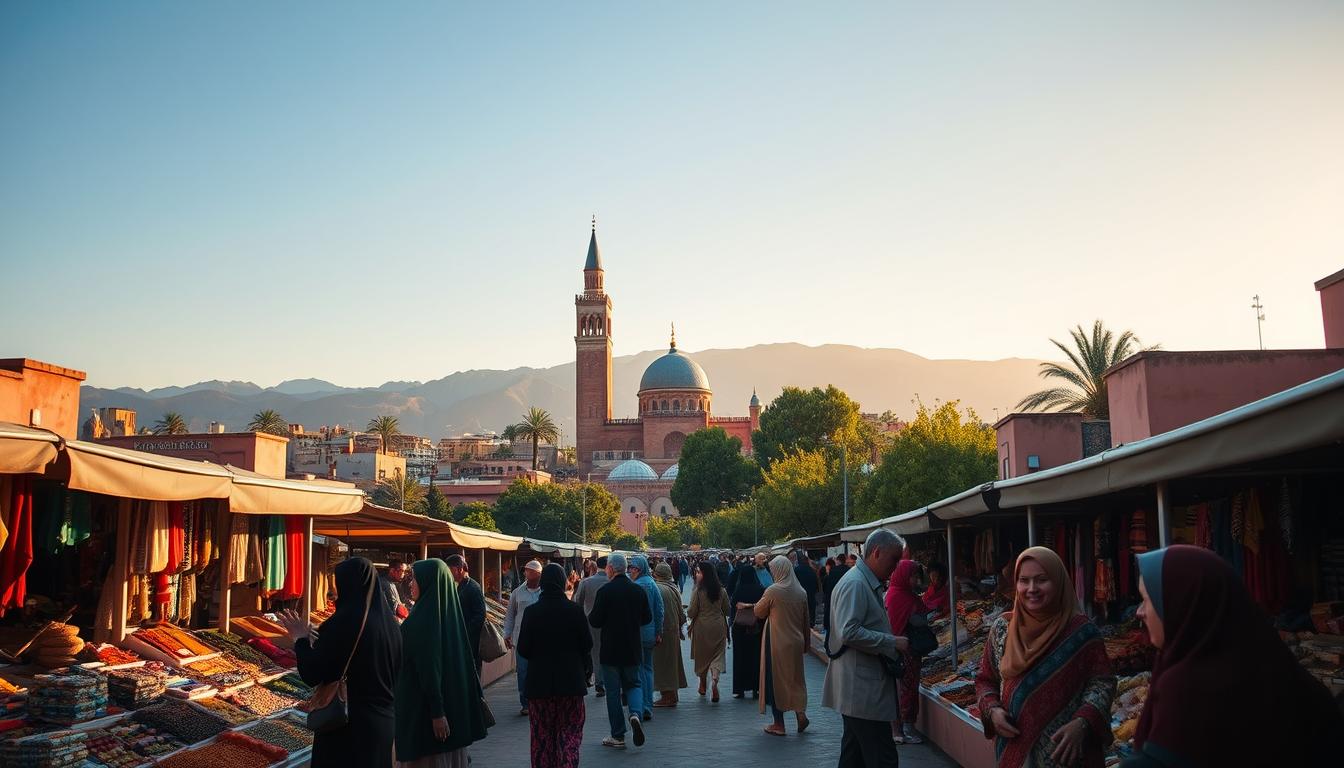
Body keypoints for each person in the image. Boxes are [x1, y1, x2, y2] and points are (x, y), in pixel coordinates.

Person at [1121, 546, 1344, 767]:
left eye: (1146, 600)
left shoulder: (1191, 687)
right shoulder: (1276, 665)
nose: (1139, 612)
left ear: (1180, 604)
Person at [974, 547, 1115, 768]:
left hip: (1067, 755)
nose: (1032, 589)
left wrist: (1083, 722)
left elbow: (1102, 682)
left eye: (1041, 580)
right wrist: (992, 711)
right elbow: (985, 679)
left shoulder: (1081, 632)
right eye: (1024, 580)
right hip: (1015, 751)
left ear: (1059, 582)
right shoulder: (1003, 628)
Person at [281, 558, 402, 768]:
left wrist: (300, 639)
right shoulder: (391, 625)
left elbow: (311, 673)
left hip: (347, 727)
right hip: (383, 723)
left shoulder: (344, 622)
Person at [823, 529, 910, 768]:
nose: (896, 566)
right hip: (862, 690)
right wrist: (892, 641)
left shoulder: (861, 581)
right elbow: (849, 632)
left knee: (854, 755)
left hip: (859, 688)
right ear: (877, 552)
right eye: (893, 559)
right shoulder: (856, 584)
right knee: (882, 757)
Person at [393, 559, 488, 768]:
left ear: (429, 582)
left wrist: (437, 713)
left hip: (425, 719)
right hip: (453, 716)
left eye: (415, 579)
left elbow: (429, 671)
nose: (411, 585)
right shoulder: (450, 620)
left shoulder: (420, 623)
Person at [518, 563, 592, 768]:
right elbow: (587, 644)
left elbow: (523, 649)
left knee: (542, 737)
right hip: (571, 684)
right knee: (568, 734)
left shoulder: (532, 613)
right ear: (562, 582)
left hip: (539, 686)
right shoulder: (575, 611)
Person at [738, 555, 810, 736]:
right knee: (795, 680)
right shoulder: (801, 592)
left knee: (775, 682)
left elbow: (759, 612)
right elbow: (806, 621)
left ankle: (779, 724)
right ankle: (800, 713)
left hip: (777, 641)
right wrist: (806, 645)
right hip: (796, 642)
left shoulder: (774, 591)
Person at [587, 552, 652, 749]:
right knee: (634, 684)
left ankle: (618, 735)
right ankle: (635, 714)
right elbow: (647, 618)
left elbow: (595, 620)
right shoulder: (637, 591)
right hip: (632, 647)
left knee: (613, 693)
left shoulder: (605, 592)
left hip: (610, 650)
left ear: (611, 569)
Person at [885, 559, 927, 745]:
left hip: (900, 648)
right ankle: (905, 727)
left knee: (900, 688)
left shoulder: (897, 593)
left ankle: (899, 729)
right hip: (904, 649)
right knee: (905, 688)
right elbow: (914, 621)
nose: (916, 581)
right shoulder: (901, 597)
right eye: (913, 576)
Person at [504, 560, 544, 716]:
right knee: (523, 672)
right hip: (521, 638)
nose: (526, 573)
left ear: (538, 574)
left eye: (530, 571)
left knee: (539, 671)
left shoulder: (545, 592)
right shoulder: (517, 593)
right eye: (526, 571)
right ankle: (525, 702)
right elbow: (510, 616)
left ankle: (539, 700)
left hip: (541, 640)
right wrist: (507, 634)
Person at [687, 560, 730, 702]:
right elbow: (727, 610)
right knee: (717, 655)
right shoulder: (722, 590)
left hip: (702, 627)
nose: (696, 574)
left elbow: (692, 612)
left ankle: (703, 684)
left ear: (704, 574)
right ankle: (715, 679)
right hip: (718, 626)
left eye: (698, 572)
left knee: (702, 657)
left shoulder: (698, 591)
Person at [628, 555, 664, 722]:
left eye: (633, 568)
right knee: (648, 669)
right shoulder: (652, 584)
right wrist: (658, 632)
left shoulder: (635, 587)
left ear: (639, 569)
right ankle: (648, 704)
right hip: (650, 634)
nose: (630, 571)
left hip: (637, 634)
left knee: (639, 670)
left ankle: (641, 705)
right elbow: (659, 610)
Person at [572, 555, 610, 696]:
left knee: (595, 653)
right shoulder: (611, 581)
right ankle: (611, 681)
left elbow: (578, 603)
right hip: (611, 622)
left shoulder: (586, 582)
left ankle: (599, 683)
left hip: (590, 622)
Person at [651, 562, 688, 707]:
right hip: (672, 630)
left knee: (663, 665)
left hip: (664, 631)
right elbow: (680, 611)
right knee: (672, 664)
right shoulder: (673, 587)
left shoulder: (659, 588)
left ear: (656, 574)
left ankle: (668, 696)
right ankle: (672, 694)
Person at [729, 559, 765, 698]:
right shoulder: (761, 589)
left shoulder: (738, 590)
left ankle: (740, 689)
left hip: (739, 629)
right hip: (756, 628)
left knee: (740, 658)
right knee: (756, 658)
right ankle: (757, 688)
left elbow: (732, 608)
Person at [446, 554, 486, 676]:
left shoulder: (473, 587)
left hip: (470, 642)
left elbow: (480, 615)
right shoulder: (461, 586)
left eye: (450, 570)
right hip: (462, 640)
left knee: (472, 675)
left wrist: (465, 632)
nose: (449, 574)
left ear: (459, 569)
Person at [821, 554, 849, 636]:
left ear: (838, 560)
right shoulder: (849, 570)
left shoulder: (833, 571)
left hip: (832, 600)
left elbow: (827, 588)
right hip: (845, 601)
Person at [793, 549, 820, 628]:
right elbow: (816, 583)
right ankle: (811, 624)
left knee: (802, 612)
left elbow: (794, 582)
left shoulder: (796, 570)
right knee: (811, 611)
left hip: (800, 595)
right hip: (811, 595)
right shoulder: (812, 570)